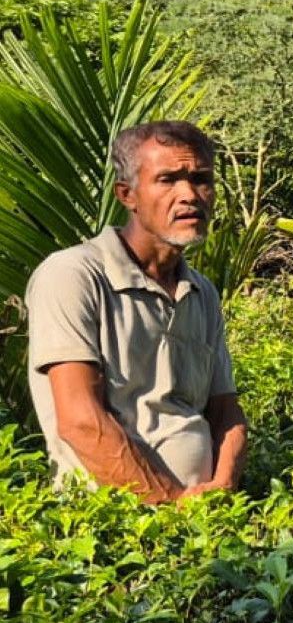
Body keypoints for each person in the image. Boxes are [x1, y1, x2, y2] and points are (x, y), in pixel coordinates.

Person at [26, 121, 248, 503]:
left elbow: (226, 412)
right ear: (127, 194)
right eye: (167, 180)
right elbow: (80, 421)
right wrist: (173, 504)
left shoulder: (201, 292)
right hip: (113, 521)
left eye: (201, 179)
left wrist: (223, 488)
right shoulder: (74, 275)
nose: (189, 195)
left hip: (204, 518)